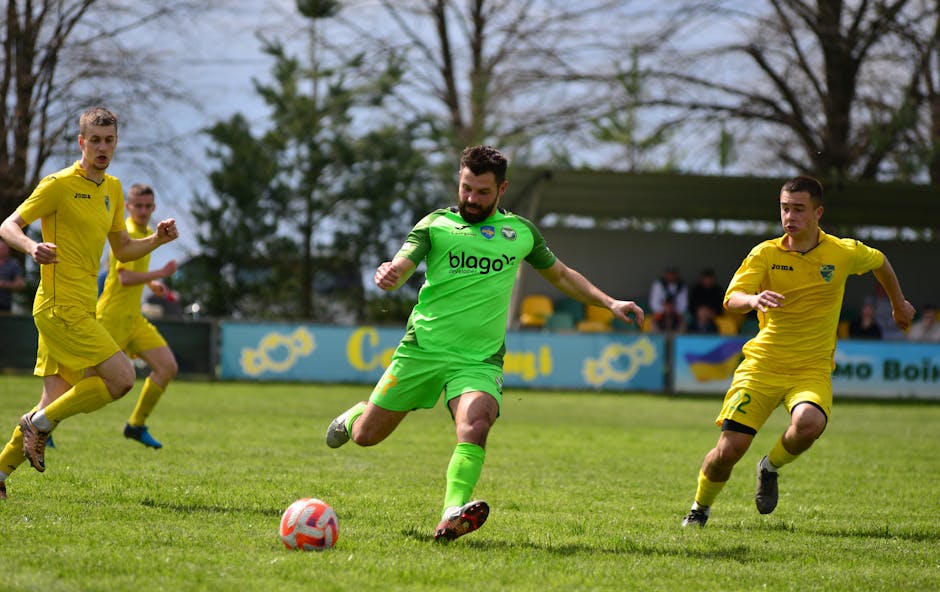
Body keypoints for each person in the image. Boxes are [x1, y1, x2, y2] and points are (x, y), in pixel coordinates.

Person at [324, 145, 645, 540]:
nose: (471, 199)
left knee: (475, 425)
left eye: (481, 192)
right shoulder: (435, 225)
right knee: (366, 437)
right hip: (422, 350)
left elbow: (561, 275)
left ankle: (451, 512)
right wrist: (392, 273)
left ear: (502, 189)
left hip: (478, 360)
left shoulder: (520, 233)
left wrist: (609, 301)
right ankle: (357, 414)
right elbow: (404, 261)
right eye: (466, 189)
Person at [681, 175, 914, 528]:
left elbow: (880, 261)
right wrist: (754, 298)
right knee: (727, 452)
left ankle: (769, 467)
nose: (790, 217)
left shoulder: (843, 252)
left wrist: (899, 305)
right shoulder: (766, 253)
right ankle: (700, 509)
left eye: (799, 210)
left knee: (809, 423)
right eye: (785, 209)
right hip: (762, 365)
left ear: (818, 212)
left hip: (810, 368)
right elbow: (731, 298)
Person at [0, 107, 179, 499]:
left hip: (81, 307)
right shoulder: (58, 184)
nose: (102, 147)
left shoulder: (113, 189)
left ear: (116, 143)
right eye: (95, 140)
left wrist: (157, 241)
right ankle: (38, 423)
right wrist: (32, 246)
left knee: (55, 401)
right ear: (81, 142)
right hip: (57, 306)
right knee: (122, 379)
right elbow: (8, 225)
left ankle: (1, 471)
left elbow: (124, 248)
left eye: (109, 140)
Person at [96, 183, 180, 449]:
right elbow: (123, 278)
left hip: (133, 319)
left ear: (153, 208)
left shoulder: (144, 233)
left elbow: (131, 275)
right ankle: (43, 426)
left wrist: (150, 285)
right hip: (110, 319)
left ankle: (136, 425)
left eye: (148, 206)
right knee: (84, 382)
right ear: (128, 207)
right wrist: (159, 274)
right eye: (138, 206)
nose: (143, 211)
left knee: (167, 367)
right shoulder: (129, 232)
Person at [0, 240, 26, 313]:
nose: (2, 250)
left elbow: (20, 284)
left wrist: (4, 284)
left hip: (5, 304)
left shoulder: (13, 264)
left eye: (4, 248)